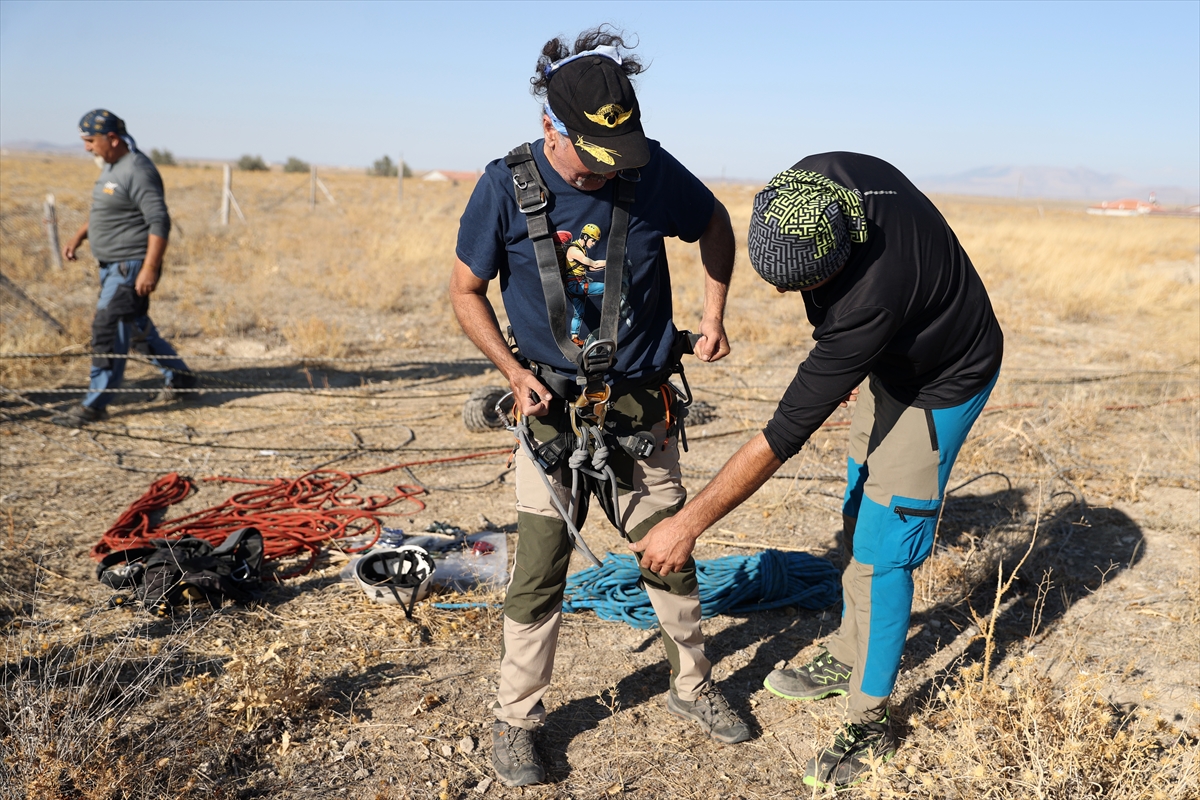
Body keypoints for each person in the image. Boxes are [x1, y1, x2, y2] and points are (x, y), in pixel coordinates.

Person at [630, 153, 1004, 790]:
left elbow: (781, 438)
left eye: (804, 285)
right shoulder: (818, 179)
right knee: (859, 507)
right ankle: (851, 649)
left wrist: (688, 524)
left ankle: (871, 721)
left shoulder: (870, 301)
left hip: (942, 381)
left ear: (841, 258)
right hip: (889, 361)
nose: (787, 296)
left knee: (885, 550)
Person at [449, 27, 750, 788]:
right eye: (594, 153)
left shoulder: (649, 170)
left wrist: (714, 316)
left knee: (670, 552)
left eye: (621, 152)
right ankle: (517, 719)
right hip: (550, 414)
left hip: (641, 410)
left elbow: (715, 224)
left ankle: (692, 686)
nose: (611, 168)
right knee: (539, 568)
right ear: (550, 127)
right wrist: (512, 370)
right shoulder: (503, 186)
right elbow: (464, 290)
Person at [57, 109, 193, 427]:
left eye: (91, 141)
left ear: (112, 138)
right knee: (135, 327)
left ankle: (95, 404)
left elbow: (159, 221)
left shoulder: (138, 170)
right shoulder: (112, 167)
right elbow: (107, 210)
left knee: (108, 327)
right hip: (111, 266)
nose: (87, 148)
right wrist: (79, 236)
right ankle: (181, 378)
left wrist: (150, 268)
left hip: (129, 266)